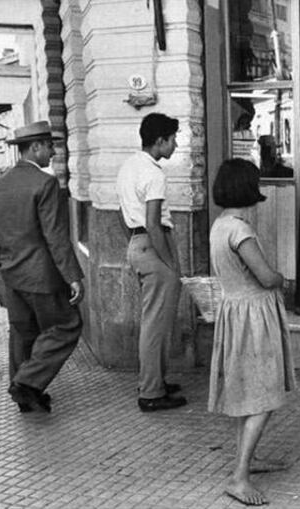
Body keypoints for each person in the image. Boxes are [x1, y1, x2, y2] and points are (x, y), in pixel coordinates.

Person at [209, 158, 296, 506]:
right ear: (248, 187)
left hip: (234, 312)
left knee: (249, 391)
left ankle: (249, 459)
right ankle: (239, 477)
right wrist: (283, 279)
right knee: (264, 394)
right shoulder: (240, 230)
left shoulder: (220, 226)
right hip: (254, 316)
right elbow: (264, 276)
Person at [0, 120, 84, 413]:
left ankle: (24, 394)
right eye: (50, 146)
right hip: (41, 275)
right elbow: (56, 236)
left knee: (22, 332)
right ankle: (26, 383)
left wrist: (9, 258)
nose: (52, 152)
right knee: (67, 325)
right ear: (36, 147)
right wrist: (73, 277)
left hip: (9, 274)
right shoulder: (45, 183)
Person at [116, 113, 187, 412]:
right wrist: (169, 262)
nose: (175, 144)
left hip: (137, 243)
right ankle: (151, 392)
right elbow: (153, 222)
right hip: (154, 244)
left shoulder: (129, 166)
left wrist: (139, 245)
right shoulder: (154, 174)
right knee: (157, 324)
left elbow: (127, 217)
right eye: (172, 139)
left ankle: (154, 380)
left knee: (153, 321)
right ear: (160, 141)